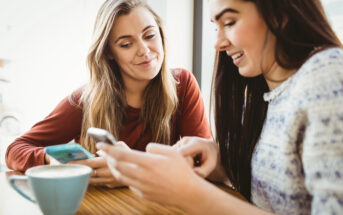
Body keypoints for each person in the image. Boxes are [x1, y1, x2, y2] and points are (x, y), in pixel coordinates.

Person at [97, 0, 343, 214]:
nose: (218, 43)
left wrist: (191, 194)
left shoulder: (327, 74)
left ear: (280, 13)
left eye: (230, 22)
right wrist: (223, 164)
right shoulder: (263, 96)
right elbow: (277, 193)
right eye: (216, 26)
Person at [5, 0, 211, 188]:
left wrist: (134, 170)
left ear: (161, 33)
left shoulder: (182, 84)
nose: (144, 50)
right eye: (126, 44)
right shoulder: (84, 101)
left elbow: (203, 163)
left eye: (149, 35)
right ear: (109, 53)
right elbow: (15, 150)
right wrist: (54, 159)